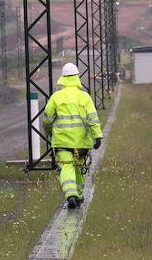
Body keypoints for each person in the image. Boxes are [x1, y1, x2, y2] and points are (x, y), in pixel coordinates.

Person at [41, 62, 103, 209]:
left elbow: (47, 119)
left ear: (62, 78)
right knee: (79, 168)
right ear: (77, 77)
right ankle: (79, 195)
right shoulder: (85, 97)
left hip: (62, 143)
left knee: (67, 167)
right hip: (81, 144)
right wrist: (97, 137)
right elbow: (92, 118)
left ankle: (70, 195)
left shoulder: (56, 97)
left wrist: (50, 133)